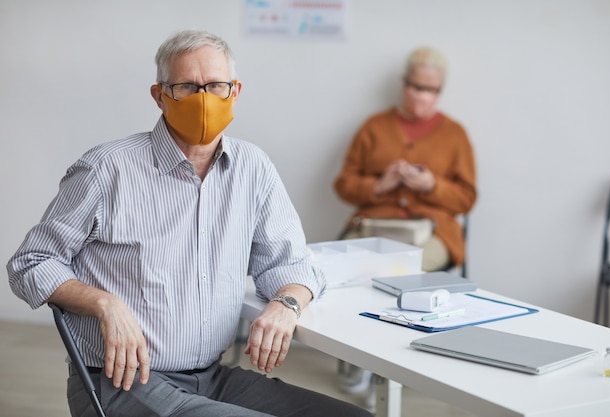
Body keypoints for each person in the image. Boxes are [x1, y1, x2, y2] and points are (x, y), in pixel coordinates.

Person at [7, 30, 372, 417]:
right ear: (160, 95)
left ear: (235, 91)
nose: (203, 99)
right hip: (121, 382)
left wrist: (287, 303)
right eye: (186, 87)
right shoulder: (105, 169)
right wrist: (104, 303)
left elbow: (290, 264)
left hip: (211, 378)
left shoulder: (253, 168)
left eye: (216, 85)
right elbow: (30, 261)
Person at [333, 46, 477, 408]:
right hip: (373, 225)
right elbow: (343, 184)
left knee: (401, 275)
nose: (421, 96)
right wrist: (378, 186)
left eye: (430, 90)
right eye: (415, 87)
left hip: (433, 230)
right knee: (347, 269)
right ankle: (359, 357)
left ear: (440, 91)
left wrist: (432, 186)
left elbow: (467, 198)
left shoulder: (455, 134)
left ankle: (387, 365)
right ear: (403, 84)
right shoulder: (374, 126)